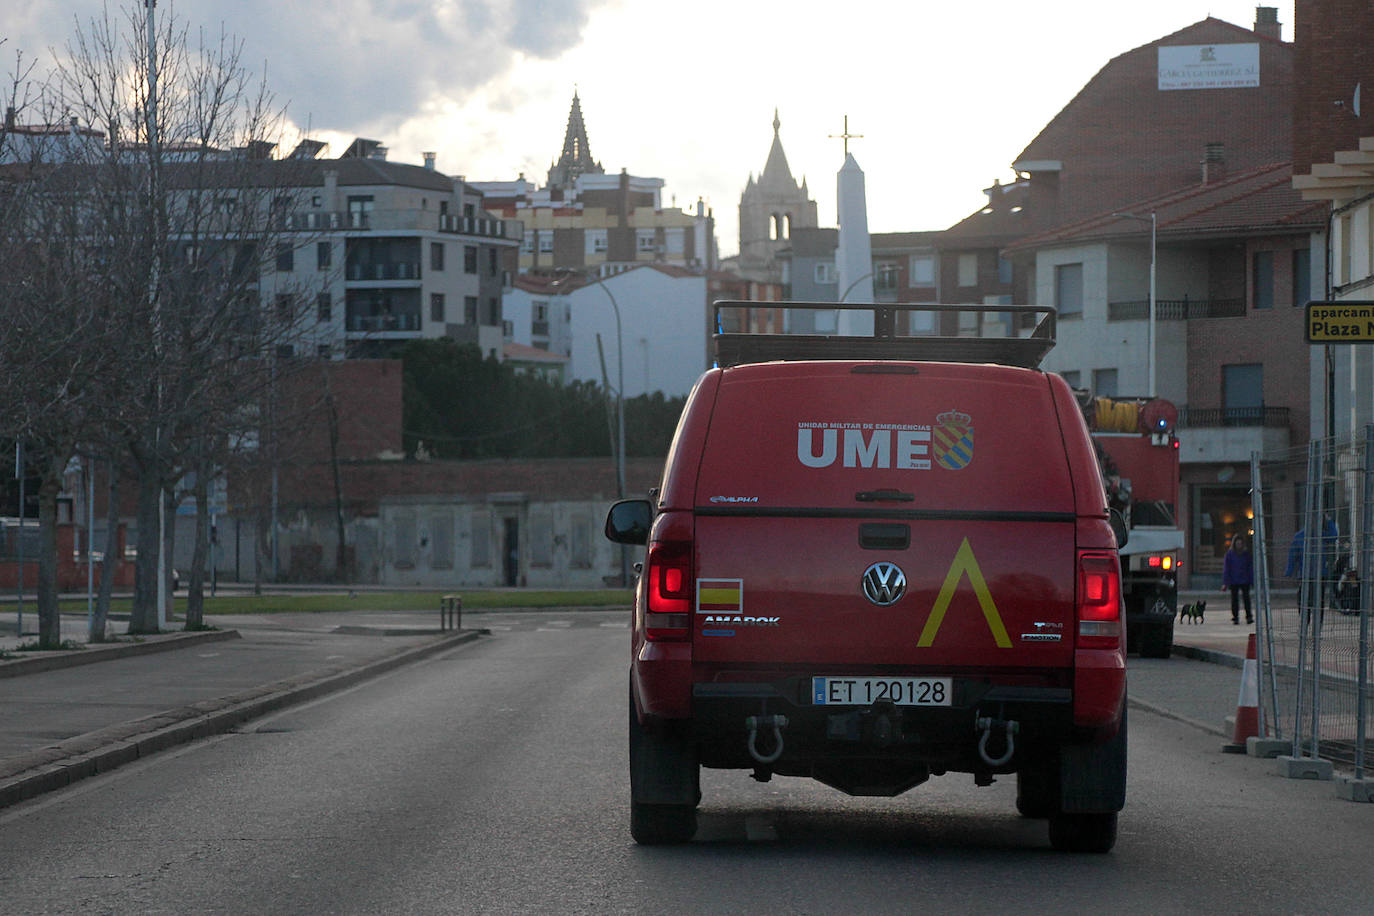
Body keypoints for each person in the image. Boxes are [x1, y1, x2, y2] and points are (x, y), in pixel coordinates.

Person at [1222, 534, 1254, 625]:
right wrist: (1225, 582)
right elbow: (1226, 569)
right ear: (1234, 544)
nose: (1239, 545)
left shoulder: (1246, 554)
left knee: (1246, 599)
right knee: (1234, 600)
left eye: (1240, 543)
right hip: (1234, 580)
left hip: (1245, 580)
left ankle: (1249, 616)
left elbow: (1250, 568)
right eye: (1237, 543)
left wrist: (1251, 580)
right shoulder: (1230, 554)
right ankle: (1235, 617)